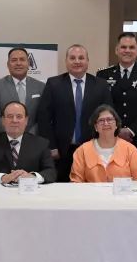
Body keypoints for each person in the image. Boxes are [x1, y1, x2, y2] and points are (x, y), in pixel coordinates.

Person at [37, 44, 113, 182]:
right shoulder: (54, 84)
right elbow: (44, 117)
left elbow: (108, 118)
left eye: (81, 58)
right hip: (61, 151)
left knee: (91, 187)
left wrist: (104, 145)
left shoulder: (101, 85)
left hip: (93, 149)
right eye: (72, 58)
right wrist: (51, 146)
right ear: (66, 61)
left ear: (87, 61)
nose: (77, 61)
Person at [96, 32, 137, 176]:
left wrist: (131, 130)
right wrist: (117, 130)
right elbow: (102, 107)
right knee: (110, 177)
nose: (127, 50)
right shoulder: (103, 75)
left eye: (131, 47)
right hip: (110, 138)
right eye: (123, 47)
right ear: (116, 50)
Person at [0, 101, 56, 184]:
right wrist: (2, 178)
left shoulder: (41, 143)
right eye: (10, 116)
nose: (14, 120)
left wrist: (32, 176)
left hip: (29, 190)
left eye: (19, 116)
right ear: (3, 120)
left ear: (26, 120)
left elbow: (51, 172)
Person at [70, 104, 137, 182]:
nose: (106, 123)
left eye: (109, 119)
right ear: (95, 127)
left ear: (116, 125)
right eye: (101, 120)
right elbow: (76, 182)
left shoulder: (131, 150)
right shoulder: (82, 151)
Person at [0, 47, 44, 135]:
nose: (18, 63)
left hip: (33, 138)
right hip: (3, 139)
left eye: (22, 59)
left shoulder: (41, 86)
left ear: (28, 63)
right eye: (14, 60)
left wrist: (28, 136)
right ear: (8, 64)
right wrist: (14, 134)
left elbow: (43, 117)